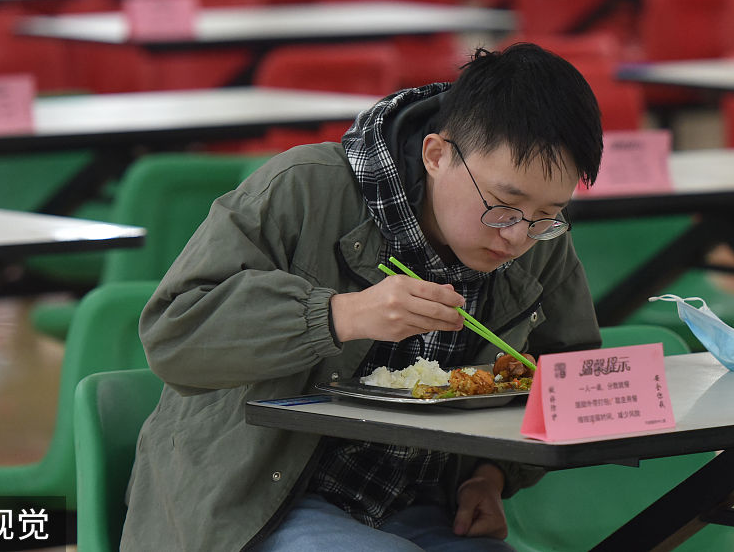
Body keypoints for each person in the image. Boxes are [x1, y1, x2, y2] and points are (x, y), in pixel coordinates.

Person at [121, 43, 605, 551]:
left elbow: (562, 372)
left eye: (548, 215)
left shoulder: (535, 243)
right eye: (504, 205)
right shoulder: (306, 188)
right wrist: (340, 315)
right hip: (257, 500)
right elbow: (175, 331)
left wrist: (491, 476)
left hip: (418, 503)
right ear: (437, 155)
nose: (516, 236)